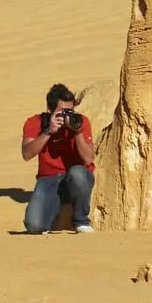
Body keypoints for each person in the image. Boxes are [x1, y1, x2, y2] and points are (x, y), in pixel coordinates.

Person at [21, 83, 96, 234]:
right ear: (50, 109)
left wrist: (77, 132)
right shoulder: (35, 122)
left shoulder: (81, 122)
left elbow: (88, 159)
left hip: (74, 177)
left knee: (78, 173)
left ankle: (81, 220)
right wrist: (49, 131)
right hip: (48, 179)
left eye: (70, 111)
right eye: (62, 112)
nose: (67, 115)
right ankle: (49, 217)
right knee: (34, 226)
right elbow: (27, 154)